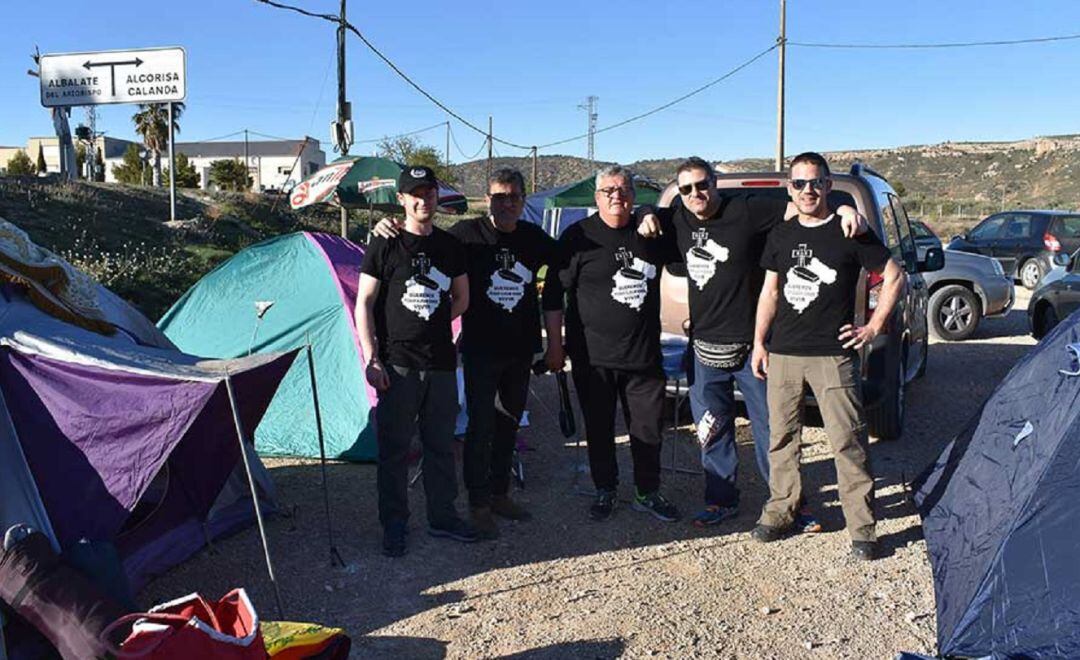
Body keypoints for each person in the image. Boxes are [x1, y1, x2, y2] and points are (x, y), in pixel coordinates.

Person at [636, 157, 864, 529]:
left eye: (703, 184)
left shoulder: (746, 210)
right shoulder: (676, 218)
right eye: (687, 189)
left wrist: (845, 208)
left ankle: (793, 505)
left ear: (714, 182)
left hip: (753, 349)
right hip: (704, 349)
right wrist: (647, 210)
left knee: (774, 433)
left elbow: (804, 206)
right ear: (680, 193)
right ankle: (720, 500)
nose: (697, 194)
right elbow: (644, 217)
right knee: (712, 429)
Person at [371, 168, 559, 539]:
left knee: (509, 424)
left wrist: (647, 216)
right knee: (479, 426)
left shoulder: (534, 237)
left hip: (520, 349)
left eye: (514, 197)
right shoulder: (465, 237)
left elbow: (571, 258)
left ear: (524, 199)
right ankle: (478, 503)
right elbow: (420, 240)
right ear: (487, 199)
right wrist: (384, 225)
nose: (507, 204)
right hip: (479, 349)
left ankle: (499, 493)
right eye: (499, 196)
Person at [748, 152, 905, 561]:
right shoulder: (781, 235)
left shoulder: (849, 229)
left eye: (815, 182)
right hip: (782, 353)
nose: (807, 190)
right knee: (781, 440)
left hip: (833, 356)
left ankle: (863, 530)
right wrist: (759, 343)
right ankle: (781, 511)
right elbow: (770, 291)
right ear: (790, 188)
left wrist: (872, 328)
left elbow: (894, 276)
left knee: (847, 441)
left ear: (828, 186)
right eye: (799, 183)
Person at [542, 165, 680, 522]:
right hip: (593, 356)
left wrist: (651, 212)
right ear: (596, 197)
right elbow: (554, 296)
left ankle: (646, 491)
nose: (616, 196)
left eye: (623, 190)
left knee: (647, 429)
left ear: (634, 196)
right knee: (600, 428)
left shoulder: (652, 231)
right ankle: (606, 488)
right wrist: (555, 347)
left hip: (644, 354)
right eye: (608, 191)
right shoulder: (578, 237)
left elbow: (694, 214)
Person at [355, 165, 476, 557]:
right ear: (403, 200)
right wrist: (373, 358)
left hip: (440, 361)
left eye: (430, 192)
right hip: (397, 363)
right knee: (394, 449)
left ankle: (443, 517)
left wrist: (435, 323)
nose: (424, 200)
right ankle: (394, 524)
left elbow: (462, 299)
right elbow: (365, 303)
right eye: (415, 194)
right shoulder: (384, 243)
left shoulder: (449, 245)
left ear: (437, 197)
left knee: (440, 444)